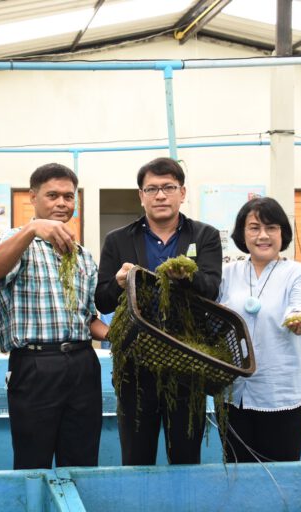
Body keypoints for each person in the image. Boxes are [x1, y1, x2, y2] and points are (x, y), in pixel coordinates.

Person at [95, 157, 222, 466]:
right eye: (152, 189)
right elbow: (102, 300)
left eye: (168, 187)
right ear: (141, 196)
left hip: (187, 360)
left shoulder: (205, 236)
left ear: (182, 192)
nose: (161, 195)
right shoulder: (118, 240)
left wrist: (187, 275)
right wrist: (120, 282)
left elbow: (212, 289)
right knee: (136, 457)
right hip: (135, 366)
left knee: (186, 455)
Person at [0, 163, 109, 470]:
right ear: (33, 197)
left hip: (82, 364)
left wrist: (117, 335)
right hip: (34, 365)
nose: (62, 203)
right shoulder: (16, 242)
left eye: (69, 196)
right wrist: (31, 230)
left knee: (81, 462)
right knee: (32, 461)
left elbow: (87, 319)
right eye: (52, 195)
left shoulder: (82, 255)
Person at [218, 196, 301, 462]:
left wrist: (300, 318)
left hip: (281, 394)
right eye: (254, 228)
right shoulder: (226, 274)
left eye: (271, 228)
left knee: (281, 473)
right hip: (234, 396)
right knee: (238, 471)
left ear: (282, 233)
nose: (263, 235)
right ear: (242, 234)